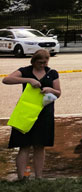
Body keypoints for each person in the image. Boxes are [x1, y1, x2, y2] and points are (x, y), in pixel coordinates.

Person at [3, 49, 61, 180]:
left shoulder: (52, 73)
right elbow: (6, 79)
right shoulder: (25, 71)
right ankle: (21, 177)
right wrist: (28, 80)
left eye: (45, 62)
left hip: (44, 113)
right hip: (26, 112)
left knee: (40, 146)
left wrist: (50, 89)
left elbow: (58, 92)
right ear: (34, 61)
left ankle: (39, 176)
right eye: (40, 62)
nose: (43, 65)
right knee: (24, 145)